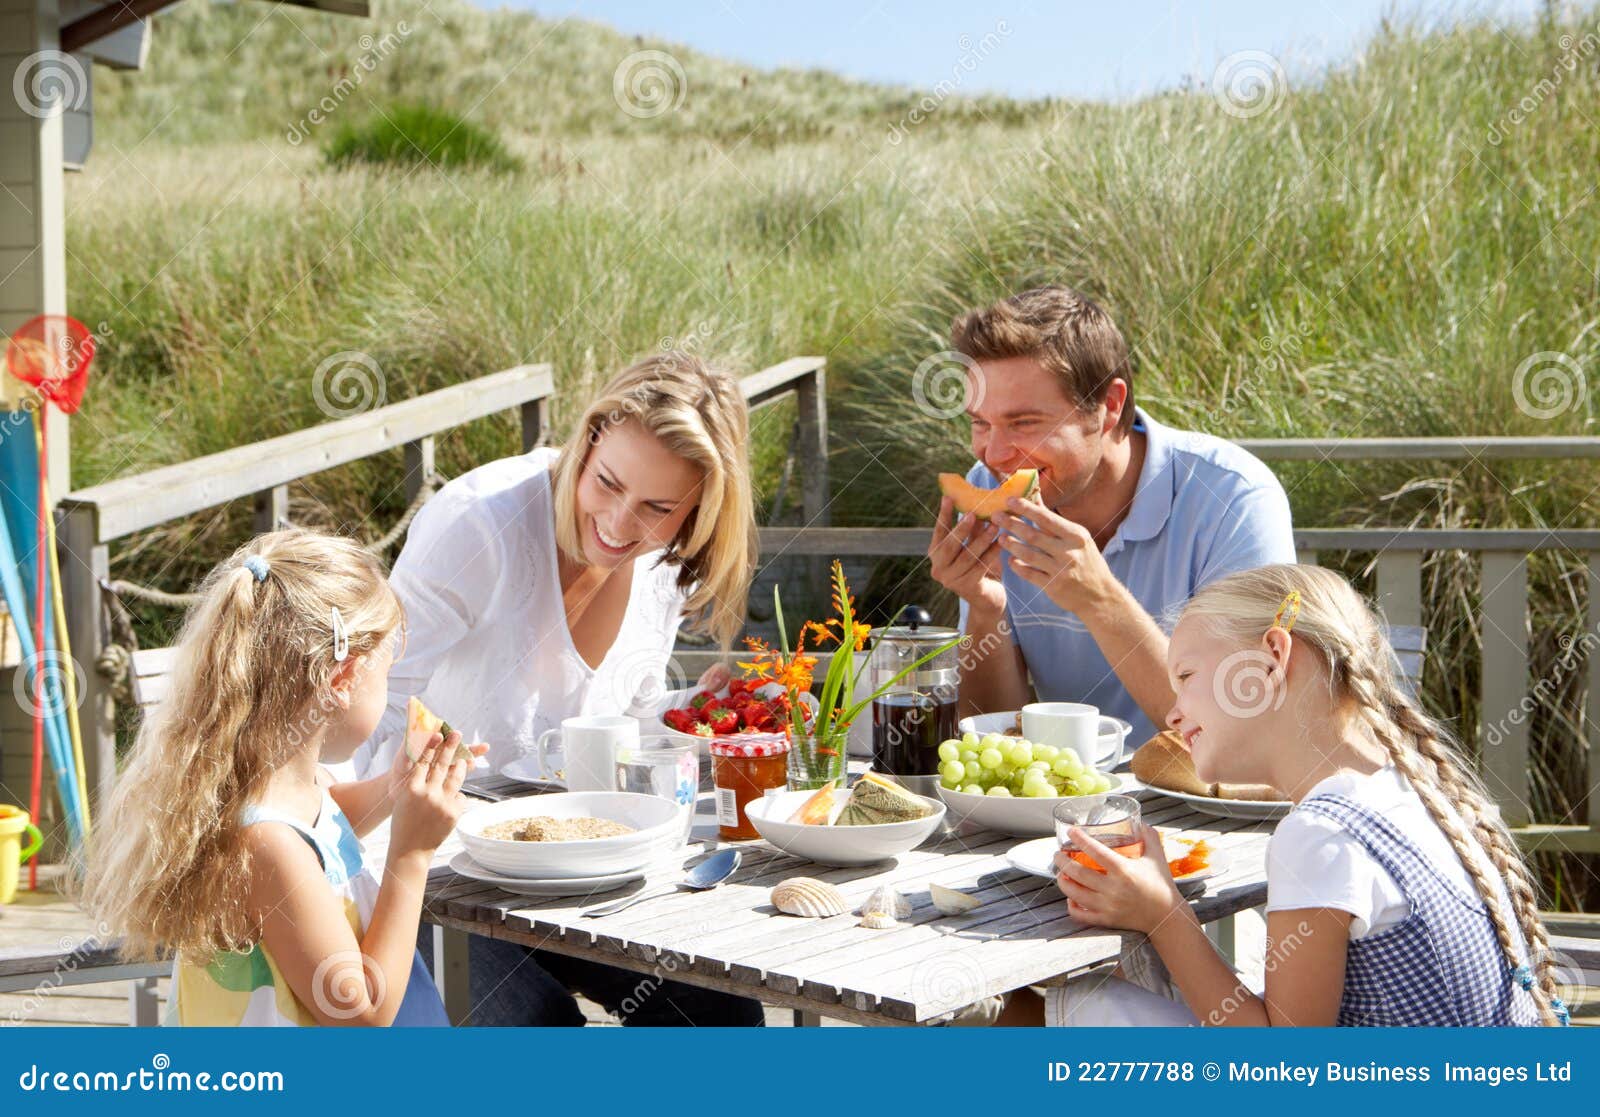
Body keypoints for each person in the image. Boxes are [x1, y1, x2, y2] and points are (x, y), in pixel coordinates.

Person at [352, 350, 765, 1026]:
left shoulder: (663, 558)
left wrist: (686, 716)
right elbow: (367, 706)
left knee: (717, 1010)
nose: (620, 524)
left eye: (658, 507)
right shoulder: (479, 524)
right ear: (590, 437)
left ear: (696, 511)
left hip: (582, 858)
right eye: (606, 483)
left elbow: (620, 711)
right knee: (537, 1028)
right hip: (436, 868)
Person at [1027, 563, 1565, 1026]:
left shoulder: (1321, 834)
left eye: (1186, 676)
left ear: (1271, 658)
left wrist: (1162, 914)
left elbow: (1282, 1068)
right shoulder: (1411, 786)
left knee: (1057, 1011)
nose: (1171, 712)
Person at [81, 529, 475, 1026]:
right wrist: (411, 854)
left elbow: (322, 831)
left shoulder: (275, 786)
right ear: (341, 681)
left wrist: (394, 791)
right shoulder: (265, 844)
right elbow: (362, 1012)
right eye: (385, 674)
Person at [927, 286, 1295, 743]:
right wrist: (986, 610)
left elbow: (1242, 729)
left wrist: (1098, 599)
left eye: (1024, 423)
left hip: (1205, 802)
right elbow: (996, 730)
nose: (995, 453)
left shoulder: (1233, 499)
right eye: (980, 423)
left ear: (1109, 406)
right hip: (1065, 798)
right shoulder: (988, 484)